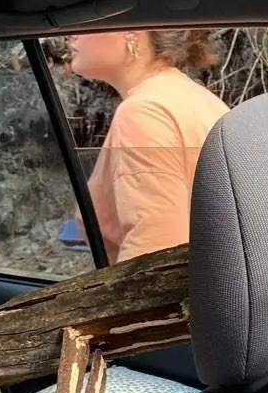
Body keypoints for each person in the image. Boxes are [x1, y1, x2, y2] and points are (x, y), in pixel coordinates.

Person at [68, 30, 229, 264]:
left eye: (88, 23)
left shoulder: (143, 112)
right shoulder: (189, 97)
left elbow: (154, 254)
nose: (72, 35)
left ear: (133, 33)